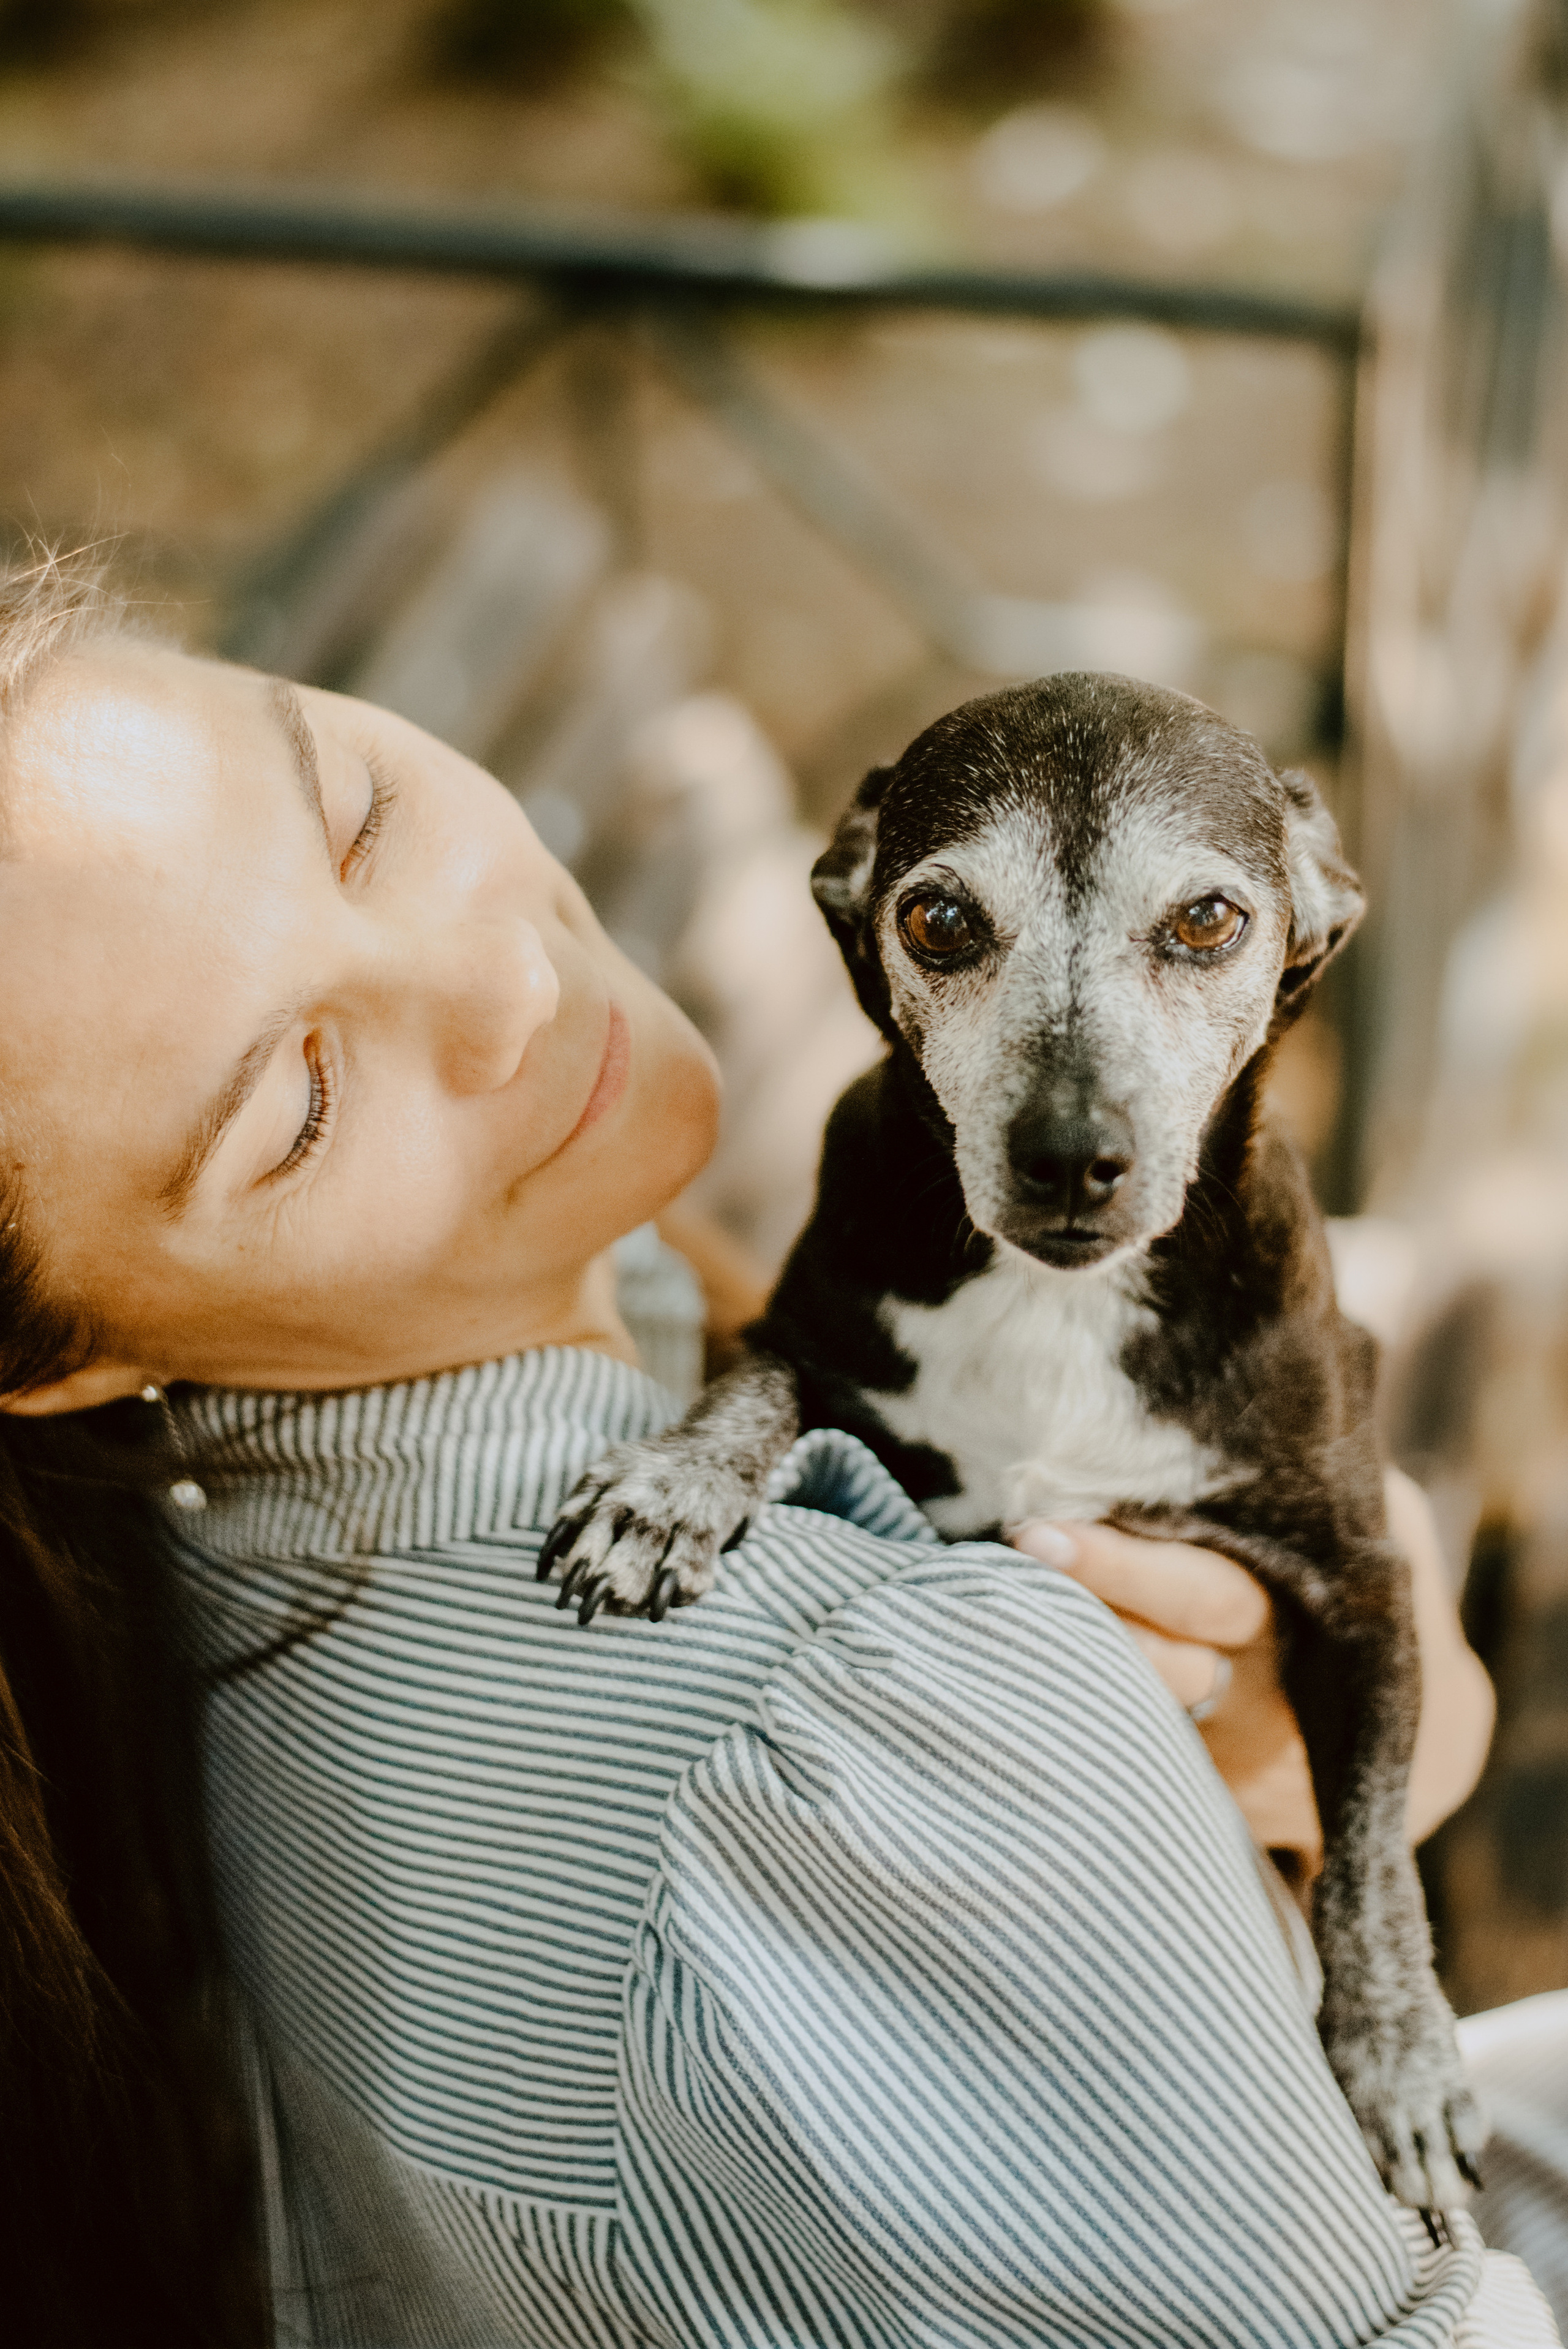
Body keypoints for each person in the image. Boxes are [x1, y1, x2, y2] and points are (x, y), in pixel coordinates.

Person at [0, 550, 1550, 2349]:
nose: (495, 966)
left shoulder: (173, 1556)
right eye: (299, 1105)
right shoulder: (867, 1725)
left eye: (357, 810)